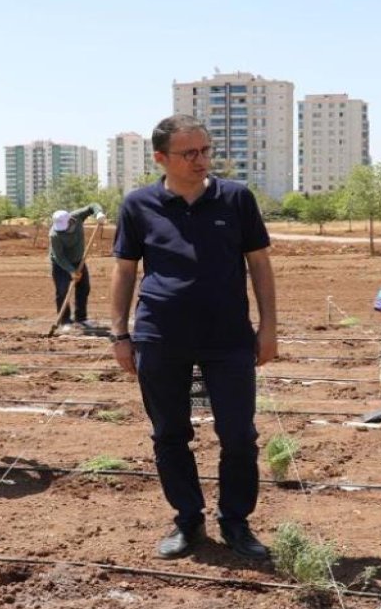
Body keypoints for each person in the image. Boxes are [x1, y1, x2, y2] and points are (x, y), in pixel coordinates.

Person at [110, 114, 277, 561]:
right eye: (189, 153)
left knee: (238, 435)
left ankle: (236, 521)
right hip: (161, 338)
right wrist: (119, 334)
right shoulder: (137, 205)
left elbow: (259, 265)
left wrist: (269, 328)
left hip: (229, 340)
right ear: (161, 158)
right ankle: (188, 519)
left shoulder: (236, 199)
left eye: (205, 150)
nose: (201, 160)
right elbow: (125, 271)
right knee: (169, 434)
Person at [49, 203, 106, 333]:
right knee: (62, 291)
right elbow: (59, 256)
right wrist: (71, 271)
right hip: (61, 264)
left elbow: (92, 206)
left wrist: (99, 213)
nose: (61, 229)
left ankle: (81, 318)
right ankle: (65, 321)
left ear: (70, 220)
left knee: (84, 287)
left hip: (78, 260)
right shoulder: (54, 235)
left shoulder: (77, 216)